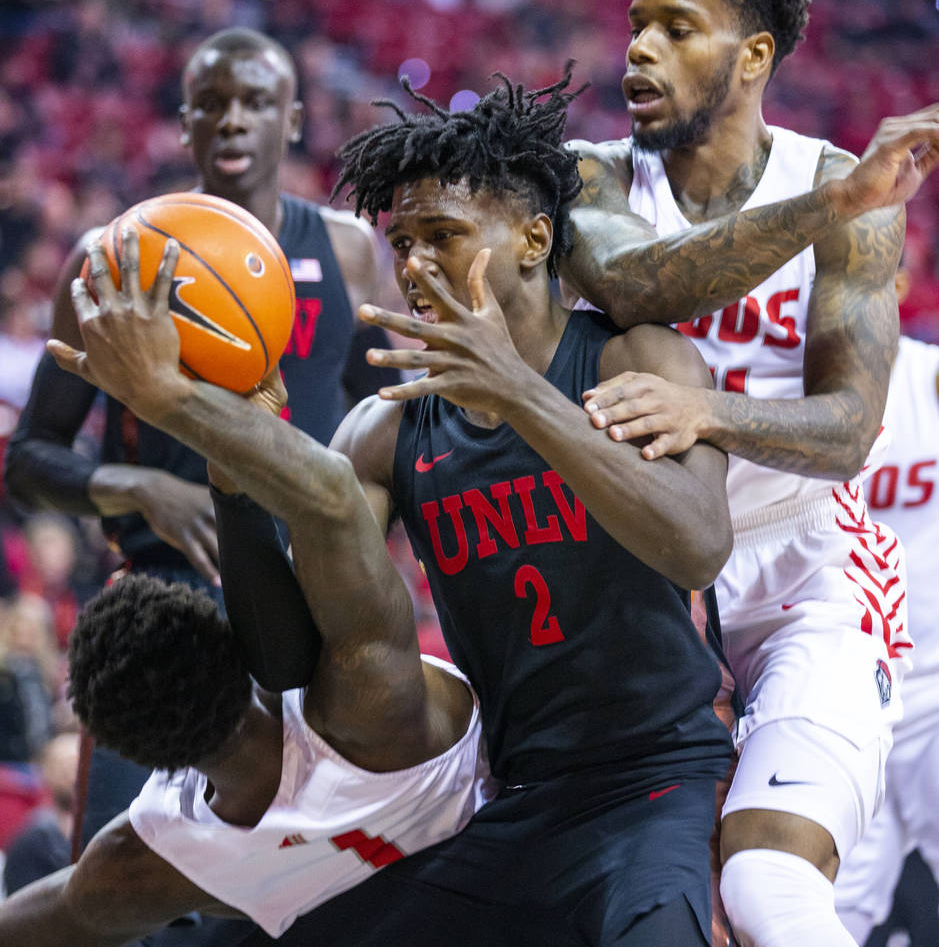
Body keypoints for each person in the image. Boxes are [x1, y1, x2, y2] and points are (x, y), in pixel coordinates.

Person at [47, 72, 737, 946]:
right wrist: (232, 458)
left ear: (532, 239)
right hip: (516, 792)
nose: (412, 264)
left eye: (442, 235)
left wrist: (520, 394)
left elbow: (696, 548)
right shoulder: (385, 428)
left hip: (659, 779)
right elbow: (291, 656)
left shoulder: (630, 360)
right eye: (401, 240)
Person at [557, 0, 939, 947]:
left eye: (676, 28)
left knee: (769, 883)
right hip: (635, 580)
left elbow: (850, 430)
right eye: (636, 24)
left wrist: (708, 412)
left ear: (753, 54)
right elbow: (634, 280)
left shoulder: (839, 191)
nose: (638, 46)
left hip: (806, 571)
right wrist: (834, 207)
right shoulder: (589, 178)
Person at [2, 26, 393, 855]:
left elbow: (387, 412)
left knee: (299, 876)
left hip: (309, 598)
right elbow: (30, 459)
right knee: (120, 869)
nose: (233, 121)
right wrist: (138, 487)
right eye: (211, 105)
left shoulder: (348, 251)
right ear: (182, 125)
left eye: (255, 102)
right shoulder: (110, 257)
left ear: (292, 120)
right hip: (166, 599)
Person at [0, 359, 490, 944]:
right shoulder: (363, 705)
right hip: (525, 849)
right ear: (225, 638)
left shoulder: (146, 859)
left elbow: (48, 919)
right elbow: (331, 495)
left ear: (133, 749)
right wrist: (210, 428)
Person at [834, 272, 939, 945]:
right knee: (820, 910)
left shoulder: (928, 378)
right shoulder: (769, 394)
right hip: (838, 693)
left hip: (934, 686)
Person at [2, 730, 80, 896]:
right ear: (46, 773)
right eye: (65, 767)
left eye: (79, 765)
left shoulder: (103, 823)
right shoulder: (33, 839)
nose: (72, 776)